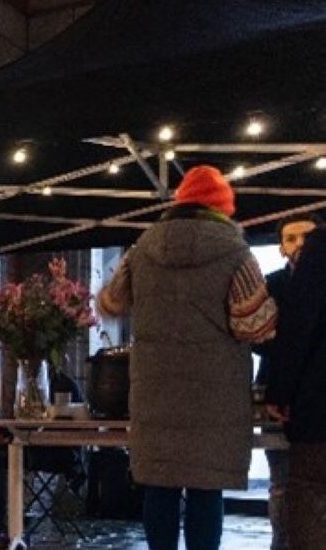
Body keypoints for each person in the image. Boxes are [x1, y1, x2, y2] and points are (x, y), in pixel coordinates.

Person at [99, 166, 276, 550]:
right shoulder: (236, 253)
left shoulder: (141, 249)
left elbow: (109, 302)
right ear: (222, 208)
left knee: (159, 488)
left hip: (155, 395)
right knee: (205, 490)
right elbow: (256, 327)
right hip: (215, 402)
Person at [254, 213, 318, 550]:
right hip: (275, 395)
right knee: (280, 484)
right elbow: (257, 338)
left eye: (306, 237)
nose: (299, 246)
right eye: (290, 239)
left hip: (314, 400)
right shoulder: (272, 284)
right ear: (280, 247)